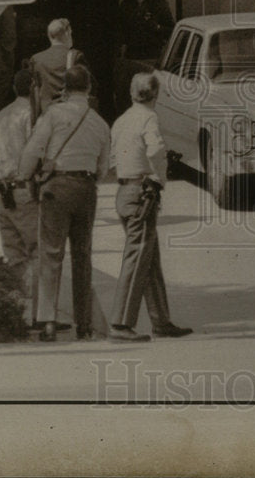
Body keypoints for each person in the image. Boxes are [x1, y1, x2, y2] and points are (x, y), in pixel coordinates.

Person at [18, 65, 110, 342]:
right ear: (89, 89)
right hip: (86, 188)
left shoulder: (54, 114)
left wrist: (24, 176)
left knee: (51, 255)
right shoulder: (99, 121)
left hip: (56, 188)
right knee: (83, 256)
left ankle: (47, 321)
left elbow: (34, 148)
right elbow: (103, 168)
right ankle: (84, 324)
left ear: (65, 89)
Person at [108, 72, 193, 342]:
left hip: (124, 190)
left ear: (132, 93)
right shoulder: (149, 117)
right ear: (155, 95)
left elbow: (112, 159)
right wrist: (159, 177)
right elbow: (155, 149)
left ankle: (161, 320)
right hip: (141, 191)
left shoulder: (121, 120)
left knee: (149, 257)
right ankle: (121, 323)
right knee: (137, 258)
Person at [0, 68, 38, 295]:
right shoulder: (32, 115)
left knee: (14, 254)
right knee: (37, 251)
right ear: (35, 88)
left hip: (2, 193)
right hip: (24, 190)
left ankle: (23, 307)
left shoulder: (0, 117)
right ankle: (40, 310)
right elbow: (36, 153)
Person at [116, 0, 175, 114]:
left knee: (151, 94)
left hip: (152, 57)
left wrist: (157, 27)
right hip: (132, 57)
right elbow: (120, 31)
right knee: (129, 96)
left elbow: (171, 30)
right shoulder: (126, 5)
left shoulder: (160, 4)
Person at [29, 18, 94, 120]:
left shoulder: (36, 59)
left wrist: (35, 121)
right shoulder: (75, 56)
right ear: (67, 33)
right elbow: (88, 87)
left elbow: (35, 95)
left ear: (49, 36)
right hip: (70, 116)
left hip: (46, 117)